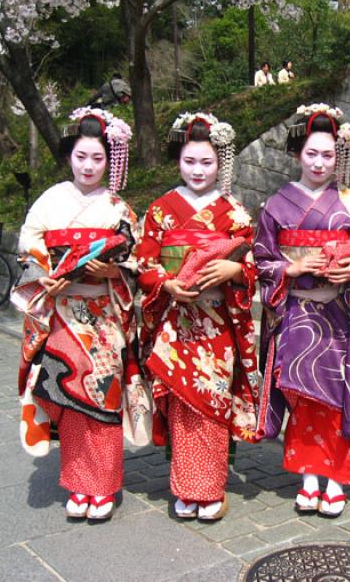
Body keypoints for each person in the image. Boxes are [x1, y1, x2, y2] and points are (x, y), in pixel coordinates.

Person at [11, 107, 145, 521]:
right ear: (70, 155)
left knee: (102, 398)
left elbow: (137, 261)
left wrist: (113, 270)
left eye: (98, 158)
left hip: (103, 314)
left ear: (111, 161)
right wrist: (45, 274)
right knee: (69, 397)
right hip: (61, 311)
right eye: (81, 156)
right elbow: (27, 247)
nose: (88, 166)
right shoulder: (51, 200)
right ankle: (77, 483)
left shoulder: (118, 206)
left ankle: (102, 488)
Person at [136, 112, 260, 522]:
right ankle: (185, 488)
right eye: (190, 161)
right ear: (178, 161)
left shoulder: (234, 211)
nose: (198, 170)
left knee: (211, 402)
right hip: (175, 321)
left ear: (219, 163)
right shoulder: (160, 210)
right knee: (180, 404)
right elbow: (144, 263)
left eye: (207, 162)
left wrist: (234, 271)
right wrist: (165, 284)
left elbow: (254, 263)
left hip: (216, 322)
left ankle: (210, 489)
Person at [254, 103, 350, 518]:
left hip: (338, 313)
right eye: (312, 154)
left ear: (337, 156)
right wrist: (292, 267)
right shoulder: (276, 204)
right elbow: (261, 257)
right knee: (302, 398)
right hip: (297, 314)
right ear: (297, 154)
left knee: (337, 397)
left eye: (327, 155)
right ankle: (308, 478)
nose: (320, 163)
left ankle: (337, 479)